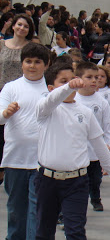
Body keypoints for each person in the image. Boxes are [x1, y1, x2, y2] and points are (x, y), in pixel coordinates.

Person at [35, 62, 110, 239]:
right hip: (47, 181)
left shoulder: (85, 112)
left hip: (76, 182)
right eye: (63, 81)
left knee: (76, 231)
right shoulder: (45, 108)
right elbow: (51, 100)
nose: (71, 84)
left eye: (73, 79)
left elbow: (99, 146)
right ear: (51, 87)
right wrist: (67, 87)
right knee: (44, 231)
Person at [0, 43, 49, 240]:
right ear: (22, 64)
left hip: (42, 161)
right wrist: (6, 112)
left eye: (38, 62)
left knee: (35, 212)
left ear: (46, 65)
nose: (32, 66)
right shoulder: (11, 88)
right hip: (15, 160)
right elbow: (0, 118)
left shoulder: (51, 88)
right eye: (28, 61)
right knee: (15, 211)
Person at [74, 62, 110, 212]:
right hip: (77, 152)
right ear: (78, 78)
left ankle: (96, 198)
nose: (94, 80)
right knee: (78, 183)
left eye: (96, 77)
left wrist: (109, 147)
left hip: (96, 152)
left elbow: (109, 126)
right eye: (89, 77)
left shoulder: (102, 102)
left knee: (95, 179)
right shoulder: (73, 99)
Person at [0, 14, 34, 182]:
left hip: (23, 93)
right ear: (13, 26)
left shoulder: (31, 47)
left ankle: (14, 167)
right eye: (19, 25)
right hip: (2, 91)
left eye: (26, 26)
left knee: (17, 130)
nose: (22, 28)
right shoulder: (1, 44)